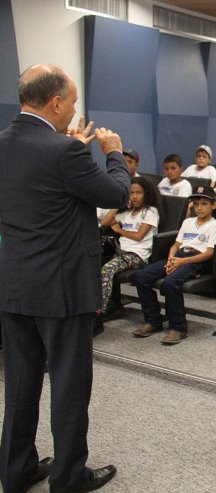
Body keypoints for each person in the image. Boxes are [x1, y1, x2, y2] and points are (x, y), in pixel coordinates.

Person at [0, 64, 130, 493]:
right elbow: (117, 195)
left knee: (19, 385)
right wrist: (112, 153)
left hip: (15, 285)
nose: (75, 110)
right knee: (70, 387)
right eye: (72, 102)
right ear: (55, 102)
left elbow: (42, 194)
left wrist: (69, 147)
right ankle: (69, 476)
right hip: (62, 290)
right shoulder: (64, 153)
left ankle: (15, 472)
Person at [133, 186, 216, 345]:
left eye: (204, 204)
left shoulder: (214, 225)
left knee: (170, 282)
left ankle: (178, 327)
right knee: (141, 276)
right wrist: (171, 258)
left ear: (213, 205)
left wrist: (182, 262)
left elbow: (210, 253)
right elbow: (176, 244)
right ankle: (153, 321)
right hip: (178, 256)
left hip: (196, 260)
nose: (199, 208)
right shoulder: (188, 222)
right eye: (196, 204)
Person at [98, 177, 162, 326]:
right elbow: (105, 223)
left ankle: (99, 311)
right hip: (121, 252)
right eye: (131, 193)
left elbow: (139, 236)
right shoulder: (127, 212)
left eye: (138, 193)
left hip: (137, 255)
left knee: (106, 270)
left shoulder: (150, 211)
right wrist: (118, 205)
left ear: (147, 194)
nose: (134, 196)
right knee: (95, 264)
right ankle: (111, 305)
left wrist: (120, 230)